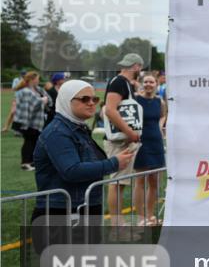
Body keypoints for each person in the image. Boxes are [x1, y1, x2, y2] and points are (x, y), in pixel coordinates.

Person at [32, 79, 135, 219]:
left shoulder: (78, 128)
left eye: (94, 99)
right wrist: (114, 163)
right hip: (62, 211)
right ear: (67, 100)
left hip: (82, 206)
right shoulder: (57, 132)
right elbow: (72, 171)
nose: (91, 103)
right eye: (85, 99)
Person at [103, 53, 145, 229]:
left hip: (123, 140)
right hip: (119, 141)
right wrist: (130, 133)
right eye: (140, 67)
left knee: (120, 183)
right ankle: (116, 222)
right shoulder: (119, 82)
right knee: (116, 182)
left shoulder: (123, 82)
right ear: (136, 66)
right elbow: (110, 110)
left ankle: (118, 221)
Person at [134, 74, 167, 226]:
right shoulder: (136, 100)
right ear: (142, 83)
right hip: (141, 143)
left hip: (156, 143)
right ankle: (141, 217)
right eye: (146, 81)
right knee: (140, 181)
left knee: (154, 182)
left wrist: (160, 126)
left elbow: (163, 115)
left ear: (156, 84)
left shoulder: (159, 101)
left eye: (151, 82)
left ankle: (151, 215)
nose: (148, 84)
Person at [12, 72, 49, 170]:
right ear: (32, 80)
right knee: (28, 142)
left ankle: (31, 162)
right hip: (27, 122)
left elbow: (45, 99)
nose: (38, 80)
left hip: (35, 122)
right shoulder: (26, 91)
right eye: (37, 79)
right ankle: (25, 163)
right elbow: (33, 104)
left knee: (34, 142)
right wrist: (42, 100)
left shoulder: (37, 89)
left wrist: (44, 99)